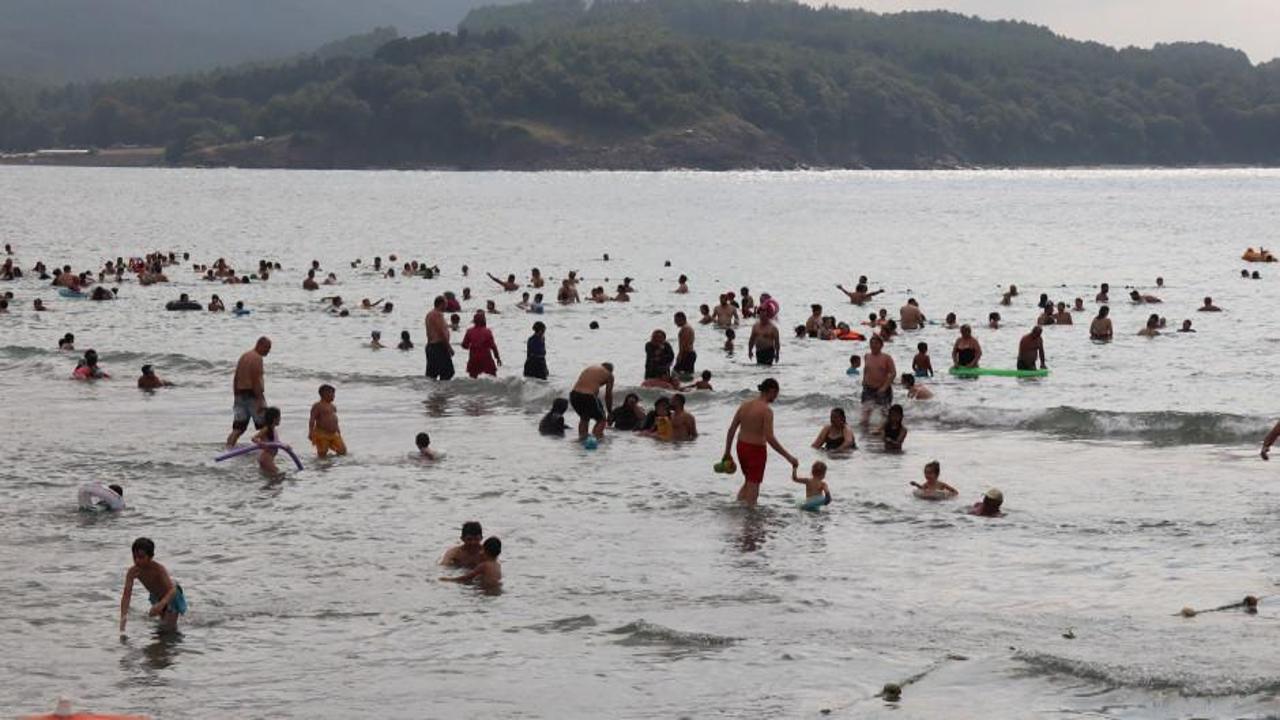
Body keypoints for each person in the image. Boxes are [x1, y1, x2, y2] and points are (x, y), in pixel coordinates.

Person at [722, 378, 799, 506]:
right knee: (753, 488)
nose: (776, 398)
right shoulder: (766, 411)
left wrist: (727, 452)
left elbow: (731, 430)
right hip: (755, 451)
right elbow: (770, 438)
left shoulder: (744, 405)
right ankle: (750, 521)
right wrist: (788, 457)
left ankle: (738, 508)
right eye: (776, 394)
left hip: (741, 446)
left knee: (748, 481)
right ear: (771, 391)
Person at [119, 537, 186, 633]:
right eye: (134, 557)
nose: (137, 560)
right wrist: (123, 618)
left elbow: (173, 590)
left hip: (171, 597)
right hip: (157, 597)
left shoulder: (158, 569)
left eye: (141, 557)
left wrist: (161, 605)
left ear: (150, 557)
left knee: (168, 629)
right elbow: (126, 595)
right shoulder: (133, 572)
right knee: (162, 625)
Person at [227, 337, 271, 447]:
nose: (268, 351)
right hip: (253, 396)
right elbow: (256, 380)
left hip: (240, 394)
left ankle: (228, 448)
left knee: (238, 428)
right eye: (267, 348)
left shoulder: (244, 356)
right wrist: (260, 400)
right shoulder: (257, 358)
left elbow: (236, 377)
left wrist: (236, 396)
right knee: (266, 426)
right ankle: (266, 451)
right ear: (259, 345)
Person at [570, 363, 615, 440]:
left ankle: (582, 439)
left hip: (574, 395)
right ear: (611, 370)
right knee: (602, 420)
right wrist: (610, 412)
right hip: (588, 396)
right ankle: (596, 438)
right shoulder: (609, 375)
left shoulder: (590, 368)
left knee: (584, 418)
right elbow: (608, 395)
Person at [860, 335, 896, 428]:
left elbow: (893, 373)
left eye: (876, 343)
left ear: (881, 345)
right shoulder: (867, 356)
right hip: (868, 389)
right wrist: (864, 380)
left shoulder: (886, 358)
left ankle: (883, 430)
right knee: (865, 413)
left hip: (883, 390)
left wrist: (884, 387)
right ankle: (864, 432)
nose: (873, 345)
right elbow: (866, 369)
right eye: (871, 343)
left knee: (884, 413)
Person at [308, 384, 347, 458]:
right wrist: (310, 431)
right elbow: (312, 419)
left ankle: (334, 461)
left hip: (333, 433)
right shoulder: (317, 406)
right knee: (323, 452)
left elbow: (335, 420)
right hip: (321, 433)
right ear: (324, 394)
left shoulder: (333, 406)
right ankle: (323, 465)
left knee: (342, 450)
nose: (334, 396)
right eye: (332, 393)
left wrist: (338, 431)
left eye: (334, 393)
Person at [461, 311, 501, 378]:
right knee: (493, 376)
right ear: (484, 321)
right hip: (486, 357)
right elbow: (493, 347)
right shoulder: (487, 331)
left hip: (474, 357)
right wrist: (497, 358)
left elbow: (464, 345)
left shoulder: (469, 331)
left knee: (473, 378)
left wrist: (471, 346)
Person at [424, 296, 455, 380]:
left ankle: (435, 391)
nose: (447, 306)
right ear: (441, 304)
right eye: (446, 304)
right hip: (438, 346)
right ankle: (442, 391)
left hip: (431, 346)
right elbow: (440, 332)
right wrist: (449, 347)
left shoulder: (429, 314)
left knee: (432, 374)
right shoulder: (437, 314)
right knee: (448, 372)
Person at [253, 407, 284, 476]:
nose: (280, 419)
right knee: (278, 475)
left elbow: (277, 443)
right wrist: (261, 443)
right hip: (265, 458)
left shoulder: (273, 430)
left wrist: (286, 446)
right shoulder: (266, 429)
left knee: (271, 478)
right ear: (274, 418)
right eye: (279, 417)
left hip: (269, 458)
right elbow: (254, 438)